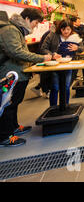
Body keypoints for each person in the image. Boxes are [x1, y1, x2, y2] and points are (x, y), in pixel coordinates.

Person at [0, 8, 52, 147]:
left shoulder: (17, 30)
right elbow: (16, 52)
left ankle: (14, 127)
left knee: (15, 102)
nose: (35, 26)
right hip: (10, 73)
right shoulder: (10, 30)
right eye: (35, 23)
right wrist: (42, 58)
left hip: (18, 72)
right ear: (27, 19)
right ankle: (5, 135)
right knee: (8, 104)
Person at [40, 20, 84, 106]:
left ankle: (65, 107)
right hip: (55, 65)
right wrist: (52, 55)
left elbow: (82, 49)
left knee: (66, 87)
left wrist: (77, 48)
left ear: (71, 29)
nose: (66, 31)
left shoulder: (75, 37)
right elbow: (43, 48)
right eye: (63, 29)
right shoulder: (52, 35)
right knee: (55, 88)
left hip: (68, 65)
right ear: (60, 29)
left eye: (68, 29)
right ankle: (53, 108)